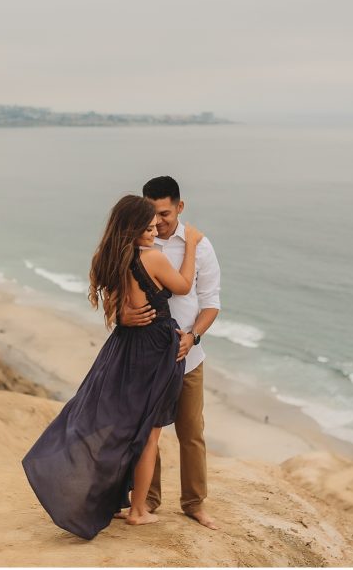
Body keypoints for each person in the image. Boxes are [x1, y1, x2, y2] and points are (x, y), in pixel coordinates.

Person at [22, 194, 204, 539]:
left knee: (115, 422)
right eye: (149, 228)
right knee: (149, 434)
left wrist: (123, 315)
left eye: (155, 227)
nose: (154, 233)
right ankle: (139, 510)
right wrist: (191, 245)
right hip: (155, 349)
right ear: (133, 229)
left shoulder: (108, 258)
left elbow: (118, 309)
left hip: (123, 347)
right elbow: (183, 286)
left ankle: (107, 496)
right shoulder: (152, 258)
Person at [116, 175, 222, 530]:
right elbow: (114, 294)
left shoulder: (200, 247)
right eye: (151, 213)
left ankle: (194, 503)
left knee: (191, 431)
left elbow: (210, 303)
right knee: (147, 430)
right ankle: (147, 499)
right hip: (146, 358)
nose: (157, 222)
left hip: (186, 358)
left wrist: (193, 336)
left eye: (163, 213)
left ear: (180, 207)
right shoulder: (135, 243)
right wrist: (122, 315)